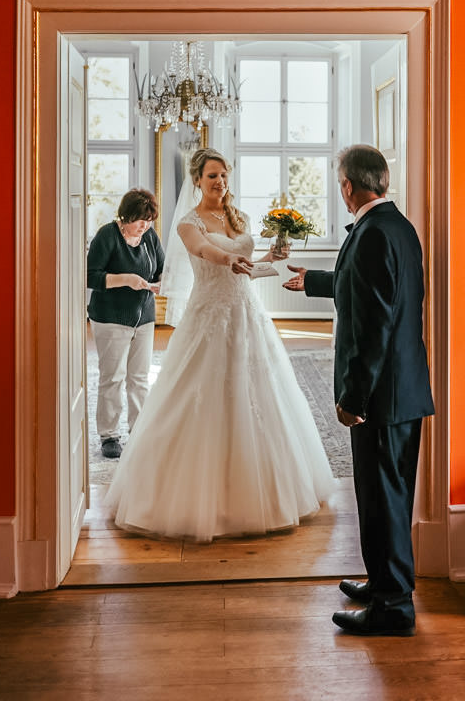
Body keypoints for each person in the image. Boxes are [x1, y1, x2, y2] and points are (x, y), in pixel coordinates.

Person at [103, 147, 333, 542]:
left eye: (224, 175)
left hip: (247, 315)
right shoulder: (188, 223)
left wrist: (270, 257)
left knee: (260, 397)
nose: (220, 183)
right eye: (212, 176)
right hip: (209, 316)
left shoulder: (237, 216)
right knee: (196, 396)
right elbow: (204, 251)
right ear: (198, 180)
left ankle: (265, 491)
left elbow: (248, 269)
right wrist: (228, 259)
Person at [284, 144, 434, 637]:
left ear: (348, 185)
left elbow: (373, 325)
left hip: (381, 397)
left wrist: (354, 397)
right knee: (388, 496)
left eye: (338, 182)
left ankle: (393, 607)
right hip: (404, 390)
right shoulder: (397, 226)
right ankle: (385, 584)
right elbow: (373, 287)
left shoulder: (372, 234)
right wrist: (313, 281)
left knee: (381, 499)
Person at [86, 188, 165, 459]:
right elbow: (90, 276)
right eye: (140, 220)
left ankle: (139, 430)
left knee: (139, 378)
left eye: (149, 220)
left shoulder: (149, 236)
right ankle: (109, 435)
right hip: (110, 317)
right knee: (113, 377)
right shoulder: (107, 235)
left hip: (144, 316)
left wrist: (161, 283)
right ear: (126, 216)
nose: (145, 225)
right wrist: (126, 279)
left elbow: (161, 268)